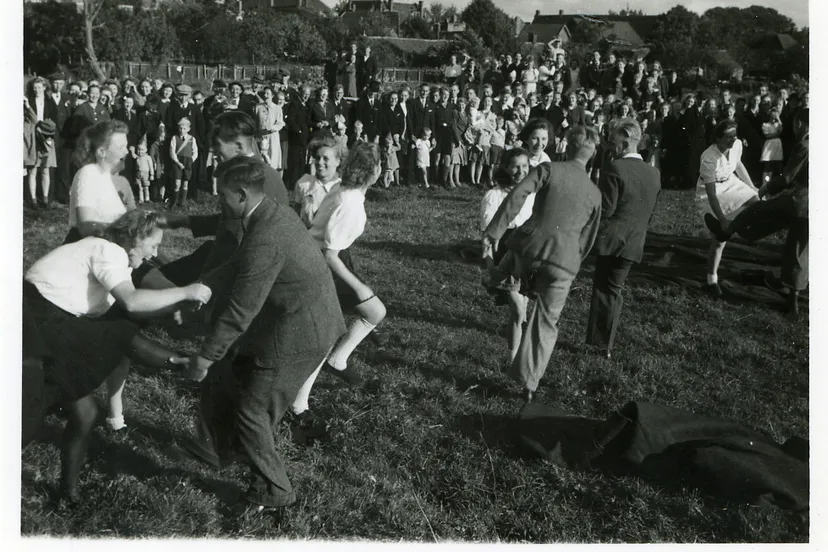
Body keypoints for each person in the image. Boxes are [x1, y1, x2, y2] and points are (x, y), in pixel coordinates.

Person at [178, 160, 346, 516]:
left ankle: (274, 490)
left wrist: (204, 358)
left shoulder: (265, 236)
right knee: (240, 384)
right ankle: (229, 452)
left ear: (241, 194)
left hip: (301, 333)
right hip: (301, 320)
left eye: (222, 196)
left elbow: (241, 311)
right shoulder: (270, 212)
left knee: (252, 410)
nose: (217, 201)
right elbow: (241, 263)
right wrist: (204, 286)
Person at [24, 209, 211, 503]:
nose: (155, 254)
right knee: (22, 422)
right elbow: (133, 304)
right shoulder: (107, 250)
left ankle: (68, 495)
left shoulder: (116, 260)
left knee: (86, 414)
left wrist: (171, 315)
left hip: (52, 324)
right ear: (135, 238)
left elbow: (126, 326)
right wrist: (185, 292)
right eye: (153, 246)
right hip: (32, 322)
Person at [483, 125, 602, 405]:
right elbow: (587, 239)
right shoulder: (596, 194)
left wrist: (494, 232)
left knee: (514, 252)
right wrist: (571, 265)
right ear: (592, 155)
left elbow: (517, 195)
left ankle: (496, 277)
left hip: (529, 250)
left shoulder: (548, 169)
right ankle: (528, 383)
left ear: (567, 147)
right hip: (564, 263)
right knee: (546, 323)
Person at [291, 142, 387, 419]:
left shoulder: (343, 189)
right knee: (329, 332)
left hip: (324, 258)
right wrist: (359, 285)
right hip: (321, 264)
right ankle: (299, 405)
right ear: (376, 172)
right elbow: (330, 253)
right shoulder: (351, 203)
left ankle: (339, 359)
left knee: (375, 311)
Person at [704, 108, 809, 316]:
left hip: (801, 201)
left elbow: (787, 178)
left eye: (796, 125)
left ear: (800, 124)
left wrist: (764, 189)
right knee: (800, 250)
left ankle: (729, 229)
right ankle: (793, 303)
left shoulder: (804, 146)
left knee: (760, 210)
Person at [585, 118, 661, 359]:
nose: (610, 145)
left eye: (614, 140)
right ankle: (602, 343)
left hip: (611, 239)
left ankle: (600, 346)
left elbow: (606, 210)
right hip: (634, 240)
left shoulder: (615, 168)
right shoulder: (654, 173)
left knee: (604, 290)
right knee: (613, 290)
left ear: (627, 140)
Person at [481, 148, 535, 362]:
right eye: (515, 166)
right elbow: (487, 237)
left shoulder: (533, 194)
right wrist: (490, 264)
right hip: (506, 258)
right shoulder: (494, 196)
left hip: (529, 257)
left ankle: (518, 354)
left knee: (523, 310)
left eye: (525, 166)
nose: (520, 171)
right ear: (505, 167)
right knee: (518, 309)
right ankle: (513, 359)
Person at [696, 120, 760, 296]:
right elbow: (711, 194)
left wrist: (752, 186)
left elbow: (738, 164)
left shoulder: (737, 144)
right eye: (728, 137)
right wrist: (722, 220)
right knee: (719, 240)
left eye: (734, 136)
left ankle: (738, 227)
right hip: (712, 191)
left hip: (731, 183)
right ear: (718, 138)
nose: (733, 140)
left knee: (757, 202)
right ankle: (711, 280)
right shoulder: (708, 158)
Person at [65, 120, 130, 244]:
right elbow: (86, 227)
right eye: (122, 147)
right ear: (101, 152)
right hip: (87, 252)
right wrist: (127, 232)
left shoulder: (105, 176)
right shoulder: (88, 174)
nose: (126, 152)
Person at [293, 137, 343, 227]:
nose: (320, 162)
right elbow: (295, 216)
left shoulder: (342, 190)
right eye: (317, 158)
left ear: (337, 162)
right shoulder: (304, 183)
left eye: (326, 159)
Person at [285, 85, 313, 190]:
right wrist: (299, 131)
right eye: (304, 93)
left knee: (301, 161)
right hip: (296, 138)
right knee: (295, 162)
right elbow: (291, 120)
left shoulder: (305, 105)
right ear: (300, 93)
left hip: (303, 138)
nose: (306, 96)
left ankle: (299, 184)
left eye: (308, 94)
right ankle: (293, 185)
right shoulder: (295, 104)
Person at [168, 117, 198, 209]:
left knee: (185, 183)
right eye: (180, 128)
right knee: (177, 183)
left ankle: (182, 203)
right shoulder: (174, 138)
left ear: (188, 129)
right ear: (178, 128)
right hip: (177, 161)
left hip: (187, 162)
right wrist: (177, 162)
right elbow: (172, 152)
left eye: (184, 128)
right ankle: (174, 202)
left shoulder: (192, 139)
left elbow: (195, 152)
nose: (182, 130)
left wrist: (191, 160)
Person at [255, 86, 284, 171]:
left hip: (272, 137)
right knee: (261, 160)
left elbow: (280, 123)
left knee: (272, 160)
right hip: (261, 137)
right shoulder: (258, 107)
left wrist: (272, 128)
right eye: (264, 93)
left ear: (272, 96)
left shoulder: (277, 109)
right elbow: (256, 122)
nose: (265, 95)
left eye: (268, 93)